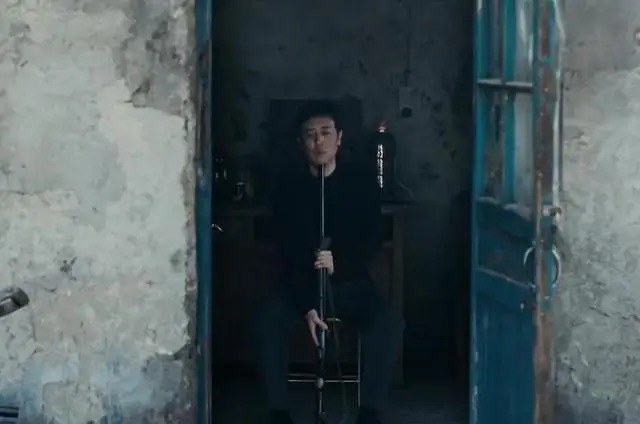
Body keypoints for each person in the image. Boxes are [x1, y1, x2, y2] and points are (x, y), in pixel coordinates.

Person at [254, 100, 404, 424]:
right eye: (310, 135)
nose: (318, 142)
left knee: (388, 322)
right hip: (301, 285)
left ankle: (370, 411)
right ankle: (278, 410)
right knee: (269, 321)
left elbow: (372, 238)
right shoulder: (287, 188)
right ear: (301, 142)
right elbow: (285, 249)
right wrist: (307, 303)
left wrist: (340, 261)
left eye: (325, 133)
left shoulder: (361, 184)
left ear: (339, 138)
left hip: (350, 283)